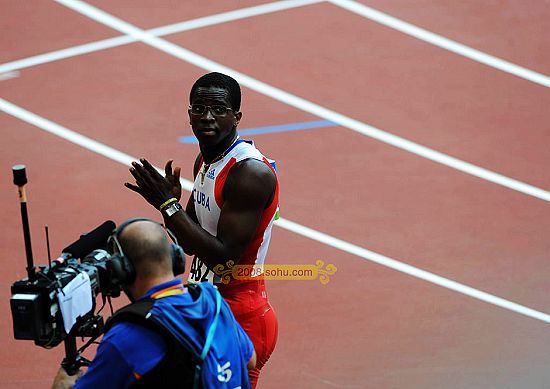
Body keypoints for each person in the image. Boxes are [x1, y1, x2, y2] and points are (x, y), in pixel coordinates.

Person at [125, 72, 279, 387]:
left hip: (240, 314)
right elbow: (190, 241)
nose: (207, 117)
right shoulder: (206, 160)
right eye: (199, 109)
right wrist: (168, 206)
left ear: (236, 117)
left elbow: (224, 257)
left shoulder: (250, 173)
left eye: (219, 110)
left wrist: (169, 205)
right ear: (189, 115)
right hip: (209, 303)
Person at [52, 218, 255, 389]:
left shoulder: (126, 336)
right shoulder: (212, 300)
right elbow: (250, 360)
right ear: (175, 257)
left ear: (122, 270)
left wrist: (62, 383)